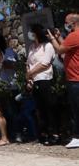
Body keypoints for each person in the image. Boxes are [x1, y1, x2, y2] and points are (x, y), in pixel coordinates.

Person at [47, 13, 79, 149]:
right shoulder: (73, 37)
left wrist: (52, 38)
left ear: (73, 23)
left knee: (76, 110)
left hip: (75, 79)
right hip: (74, 78)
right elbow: (67, 47)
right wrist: (59, 37)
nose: (65, 24)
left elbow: (60, 50)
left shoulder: (74, 35)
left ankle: (77, 137)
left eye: (67, 22)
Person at [26, 24, 58, 145]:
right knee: (40, 108)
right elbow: (28, 63)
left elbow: (45, 64)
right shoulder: (31, 47)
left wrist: (30, 73)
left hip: (45, 79)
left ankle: (54, 133)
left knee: (49, 107)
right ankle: (44, 133)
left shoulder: (47, 46)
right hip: (34, 81)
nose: (30, 34)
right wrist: (29, 79)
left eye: (32, 31)